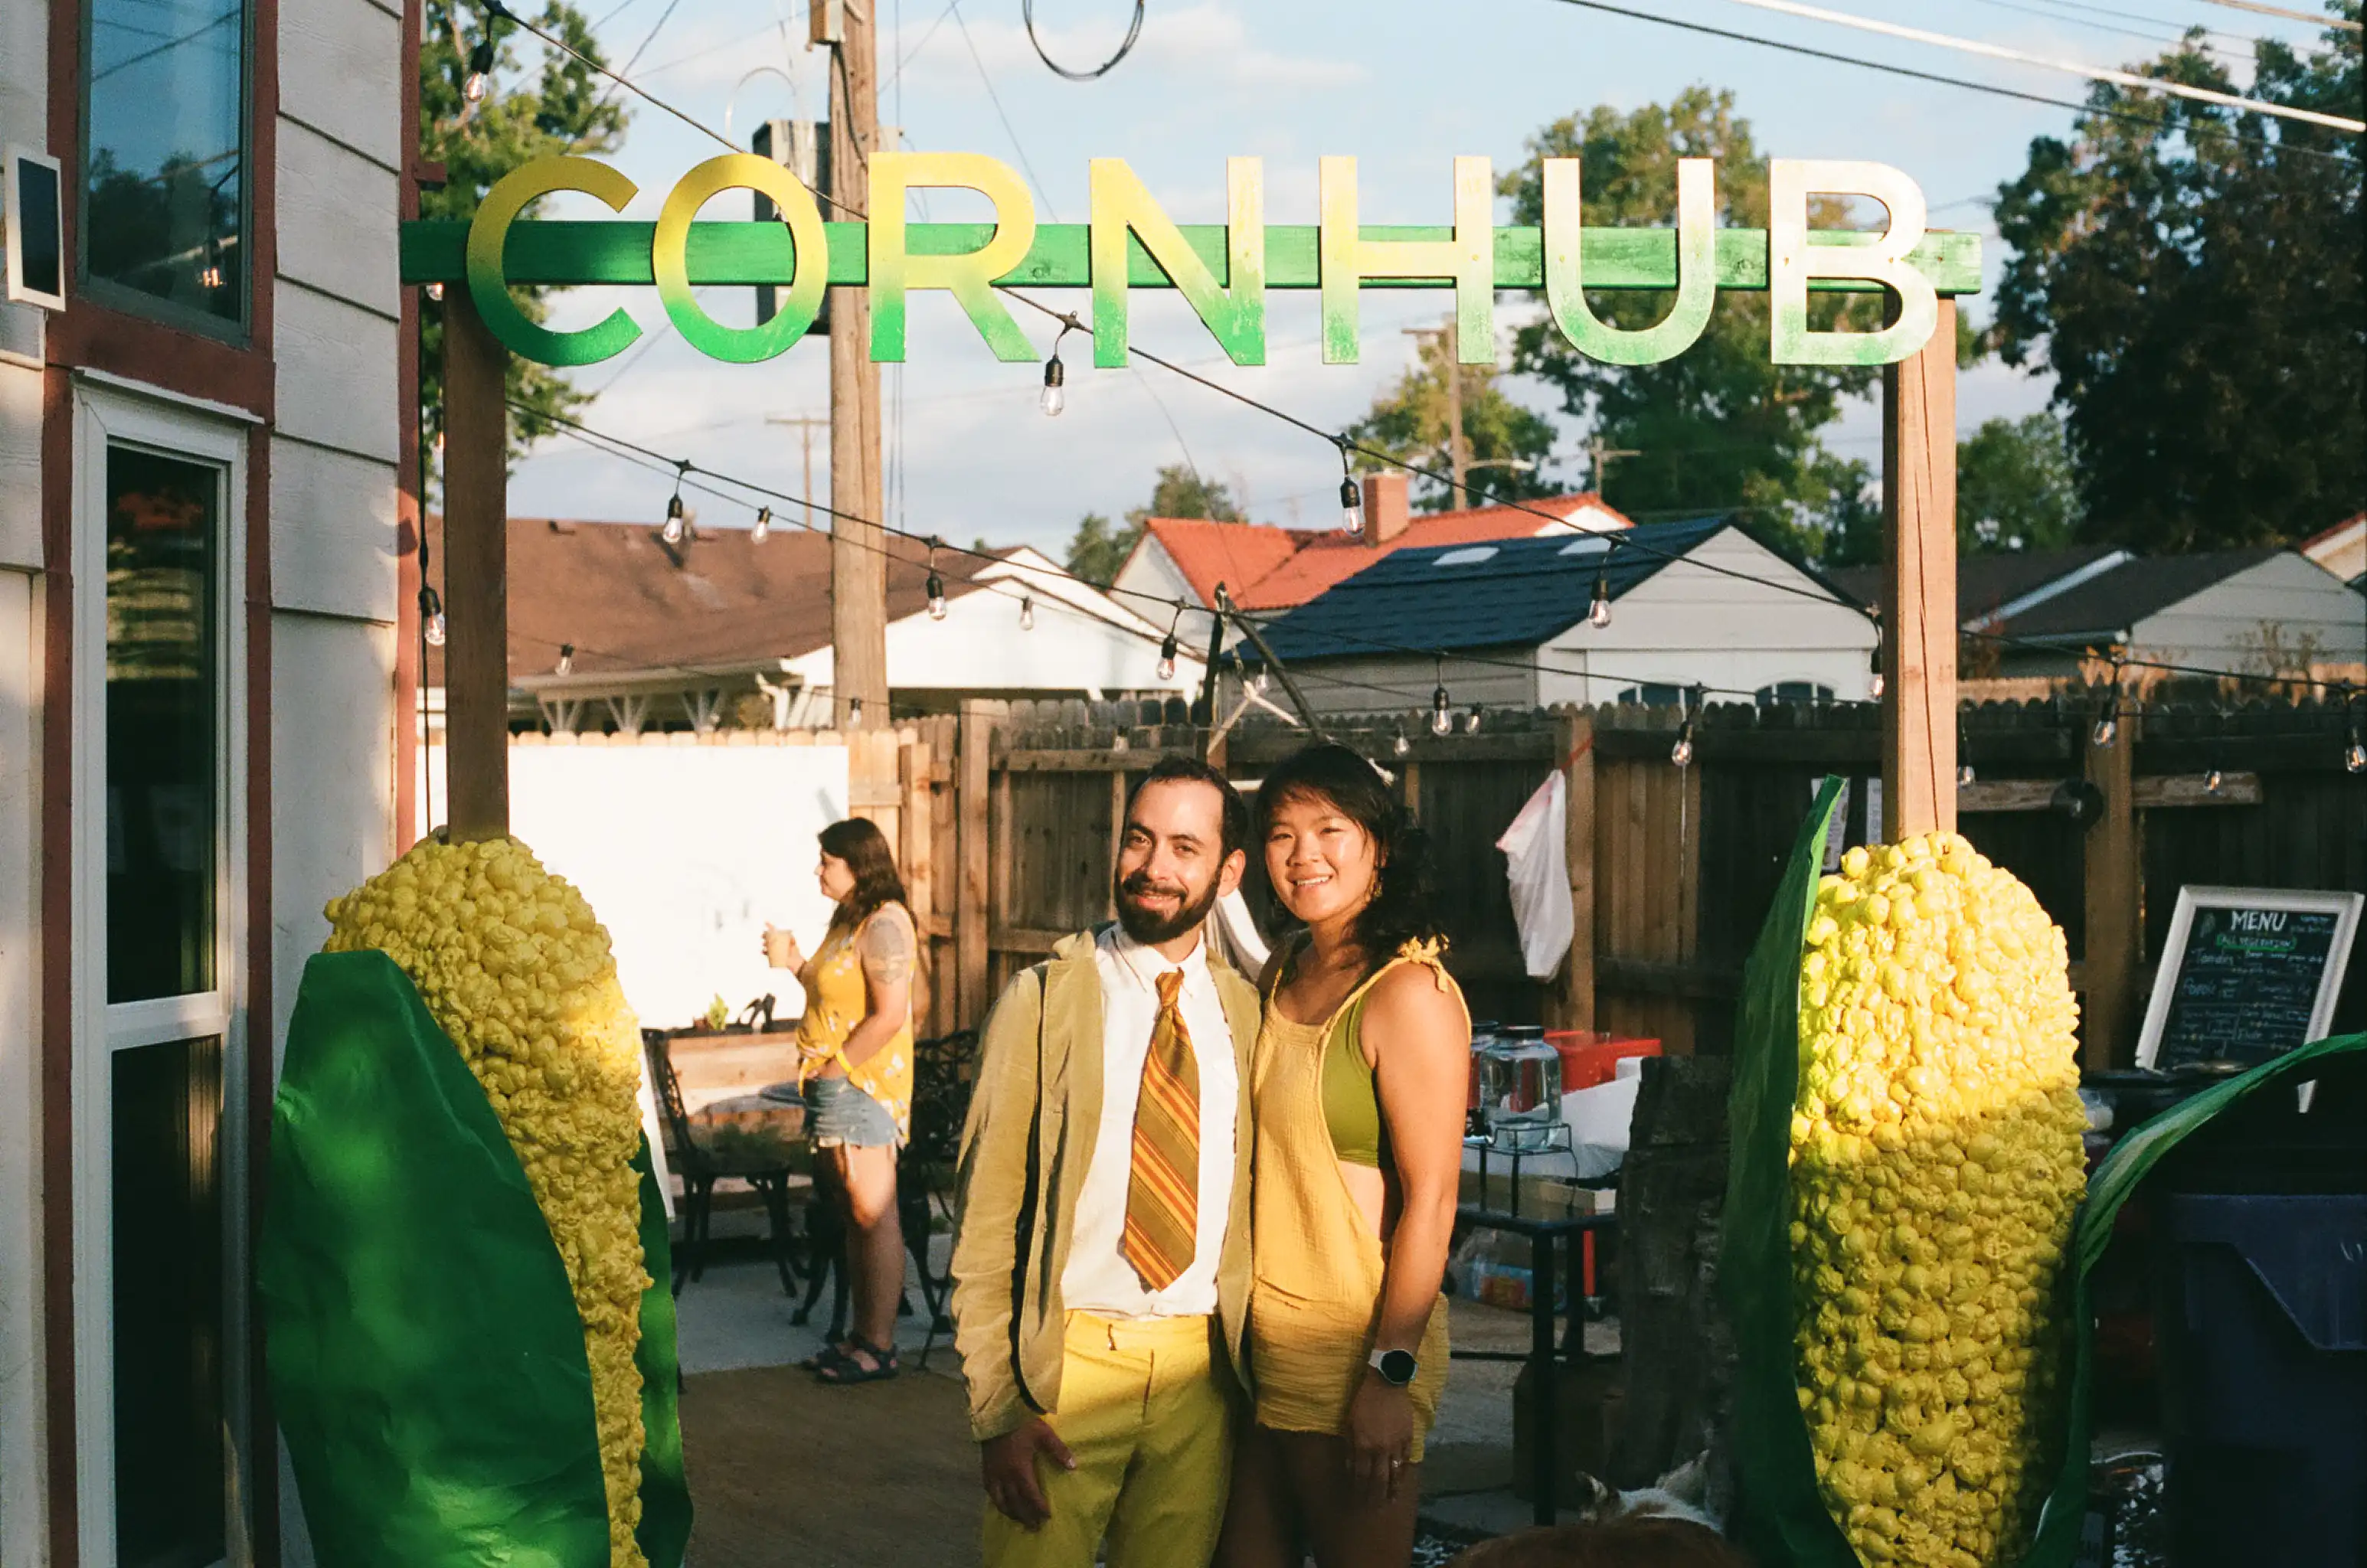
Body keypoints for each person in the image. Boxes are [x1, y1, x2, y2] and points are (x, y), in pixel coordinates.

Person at [950, 755, 1264, 1568]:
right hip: (1066, 1372)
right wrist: (997, 1407)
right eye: (1140, 839)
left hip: (1201, 1377)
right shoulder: (1045, 999)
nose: (1155, 867)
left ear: (1228, 870)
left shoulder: (1245, 1012)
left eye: (1185, 848)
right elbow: (985, 1216)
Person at [1217, 742, 1470, 1568]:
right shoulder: (1287, 965)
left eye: (1330, 828)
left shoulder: (1408, 994)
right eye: (1283, 833)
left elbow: (1433, 1200)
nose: (1304, 855)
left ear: (1380, 846)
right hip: (1261, 1349)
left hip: (1350, 1354)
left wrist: (1387, 1376)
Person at [761, 816, 916, 1385]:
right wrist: (797, 963)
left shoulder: (885, 925)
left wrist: (838, 1067)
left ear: (859, 865)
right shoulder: (851, 921)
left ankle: (878, 1346)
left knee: (874, 1214)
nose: (819, 870)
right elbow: (834, 997)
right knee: (854, 1214)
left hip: (863, 1086)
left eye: (828, 860)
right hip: (835, 1084)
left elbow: (890, 1013)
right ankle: (860, 1336)